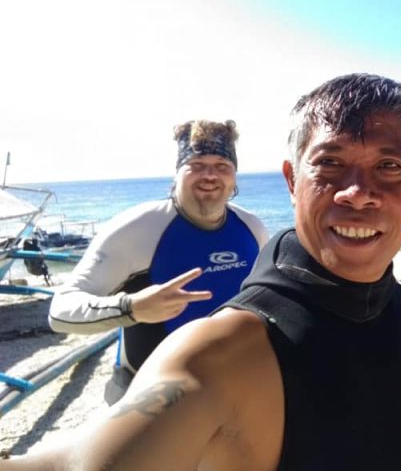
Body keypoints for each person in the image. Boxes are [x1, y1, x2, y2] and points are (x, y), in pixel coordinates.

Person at [4, 73, 401, 471]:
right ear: (292, 181)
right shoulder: (208, 340)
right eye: (330, 162)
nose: (358, 192)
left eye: (389, 166)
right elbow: (79, 458)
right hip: (152, 396)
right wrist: (131, 307)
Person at [47, 119, 269, 404]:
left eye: (222, 165)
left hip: (233, 390)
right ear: (177, 173)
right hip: (150, 399)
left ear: (234, 176)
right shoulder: (137, 229)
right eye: (197, 164)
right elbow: (60, 312)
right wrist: (131, 308)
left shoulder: (251, 227)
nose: (210, 175)